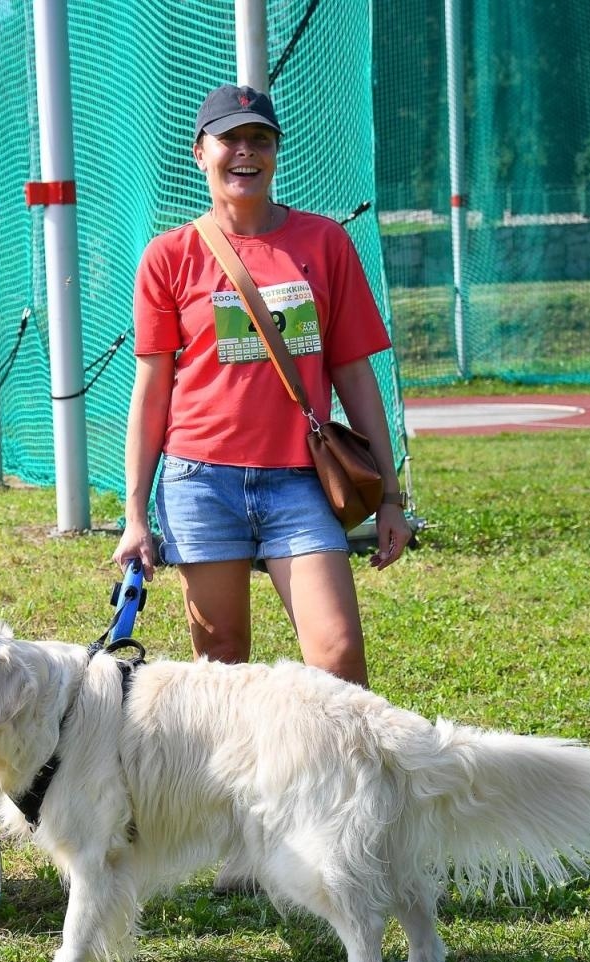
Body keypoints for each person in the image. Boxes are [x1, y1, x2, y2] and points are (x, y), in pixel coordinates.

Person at [112, 84, 409, 689]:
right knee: (221, 664)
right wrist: (135, 514)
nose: (245, 152)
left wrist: (388, 496)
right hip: (200, 481)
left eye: (260, 139)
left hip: (301, 480)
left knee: (338, 657)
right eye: (230, 139)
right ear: (201, 152)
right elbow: (152, 391)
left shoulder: (325, 242)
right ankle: (242, 787)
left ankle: (340, 784)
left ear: (275, 152)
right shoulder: (168, 256)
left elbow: (354, 372)